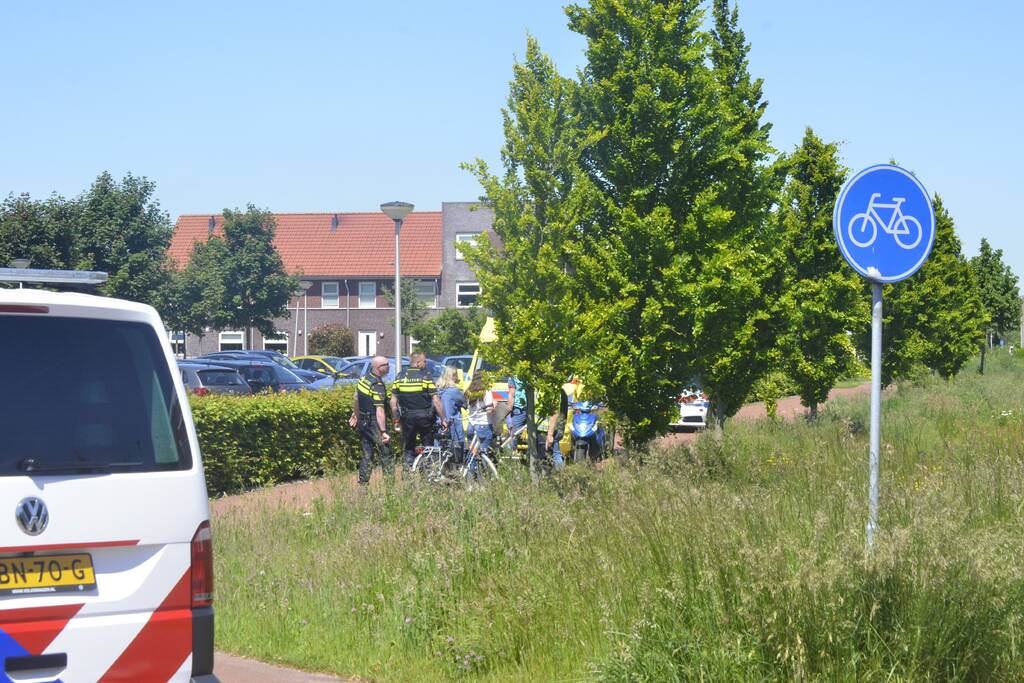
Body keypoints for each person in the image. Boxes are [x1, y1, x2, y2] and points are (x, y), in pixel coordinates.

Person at [391, 352, 446, 470]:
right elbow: (436, 400)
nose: (425, 363)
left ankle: (407, 474)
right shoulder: (425, 376)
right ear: (417, 362)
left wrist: (396, 419)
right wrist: (443, 419)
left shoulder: (399, 377)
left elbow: (393, 402)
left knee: (409, 447)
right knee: (428, 447)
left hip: (407, 418)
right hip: (424, 418)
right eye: (424, 361)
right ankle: (428, 473)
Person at [348, 355, 393, 485]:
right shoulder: (377, 384)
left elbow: (356, 398)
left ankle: (363, 483)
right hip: (374, 423)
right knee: (386, 453)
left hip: (363, 421)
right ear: (379, 368)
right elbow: (379, 410)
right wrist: (383, 431)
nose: (389, 367)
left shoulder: (364, 379)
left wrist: (355, 414)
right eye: (387, 364)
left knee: (367, 453)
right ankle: (390, 487)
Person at [436, 366, 466, 462]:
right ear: (452, 376)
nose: (458, 378)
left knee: (440, 449)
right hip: (453, 424)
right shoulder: (454, 391)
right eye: (456, 375)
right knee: (457, 449)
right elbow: (464, 403)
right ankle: (456, 470)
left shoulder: (437, 389)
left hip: (440, 423)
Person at [465, 376, 495, 461]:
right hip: (483, 424)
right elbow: (489, 410)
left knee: (472, 452)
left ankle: (470, 472)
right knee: (483, 452)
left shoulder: (469, 391)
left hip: (471, 424)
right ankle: (484, 472)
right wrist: (494, 406)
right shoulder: (486, 391)